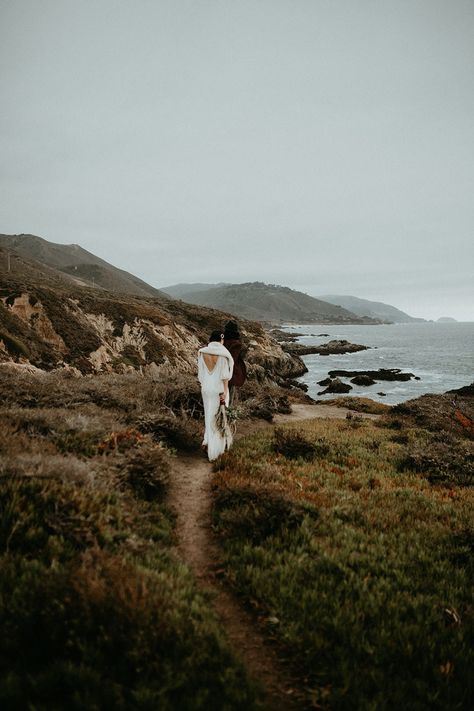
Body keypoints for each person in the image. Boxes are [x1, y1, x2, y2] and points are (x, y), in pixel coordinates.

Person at [198, 330, 234, 461]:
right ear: (221, 340)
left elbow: (200, 375)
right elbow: (225, 376)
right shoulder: (223, 354)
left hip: (206, 389)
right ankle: (216, 451)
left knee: (208, 415)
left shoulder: (202, 352)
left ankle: (207, 443)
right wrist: (224, 392)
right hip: (219, 389)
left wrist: (206, 384)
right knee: (218, 418)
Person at [223, 320, 247, 405]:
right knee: (228, 395)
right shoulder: (236, 344)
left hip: (219, 371)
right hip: (230, 373)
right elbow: (232, 360)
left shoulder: (222, 341)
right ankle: (227, 413)